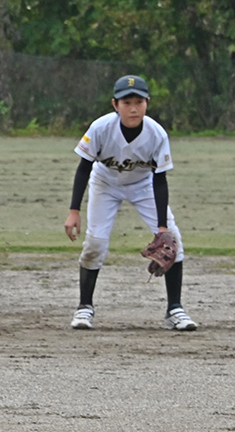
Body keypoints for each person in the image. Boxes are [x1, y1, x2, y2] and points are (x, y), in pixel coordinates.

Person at [64, 74, 197, 331]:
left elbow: (160, 180)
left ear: (147, 103)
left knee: (173, 242)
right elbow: (83, 169)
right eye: (126, 102)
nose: (133, 108)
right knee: (95, 243)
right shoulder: (101, 128)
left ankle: (175, 310)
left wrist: (161, 228)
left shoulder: (157, 134)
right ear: (115, 105)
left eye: (139, 101)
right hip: (105, 184)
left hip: (143, 185)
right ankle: (84, 308)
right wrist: (73, 211)